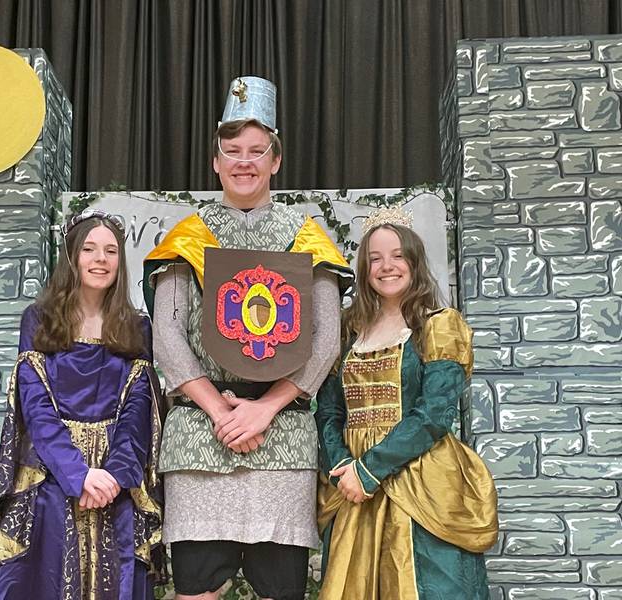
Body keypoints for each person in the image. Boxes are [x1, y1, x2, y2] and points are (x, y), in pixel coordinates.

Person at [143, 76, 353, 600]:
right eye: (232, 150)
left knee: (280, 589)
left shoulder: (306, 236)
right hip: (199, 433)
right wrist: (221, 412)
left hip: (283, 434)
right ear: (216, 161)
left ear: (275, 160)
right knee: (195, 588)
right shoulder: (187, 236)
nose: (244, 161)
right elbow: (167, 335)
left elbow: (326, 338)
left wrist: (265, 409)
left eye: (257, 150)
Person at [0, 209, 165, 600]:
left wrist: (113, 475)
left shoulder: (138, 327)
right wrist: (78, 475)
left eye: (111, 251)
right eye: (90, 249)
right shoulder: (39, 320)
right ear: (71, 257)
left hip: (115, 485)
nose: (101, 260)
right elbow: (36, 407)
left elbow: (137, 411)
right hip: (51, 478)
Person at [315, 205, 498, 599]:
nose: (387, 266)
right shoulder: (348, 330)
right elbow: (329, 410)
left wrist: (370, 469)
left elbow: (435, 414)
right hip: (354, 489)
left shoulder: (438, 323)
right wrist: (343, 464)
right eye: (375, 258)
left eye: (398, 255)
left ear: (414, 261)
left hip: (420, 479)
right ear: (364, 269)